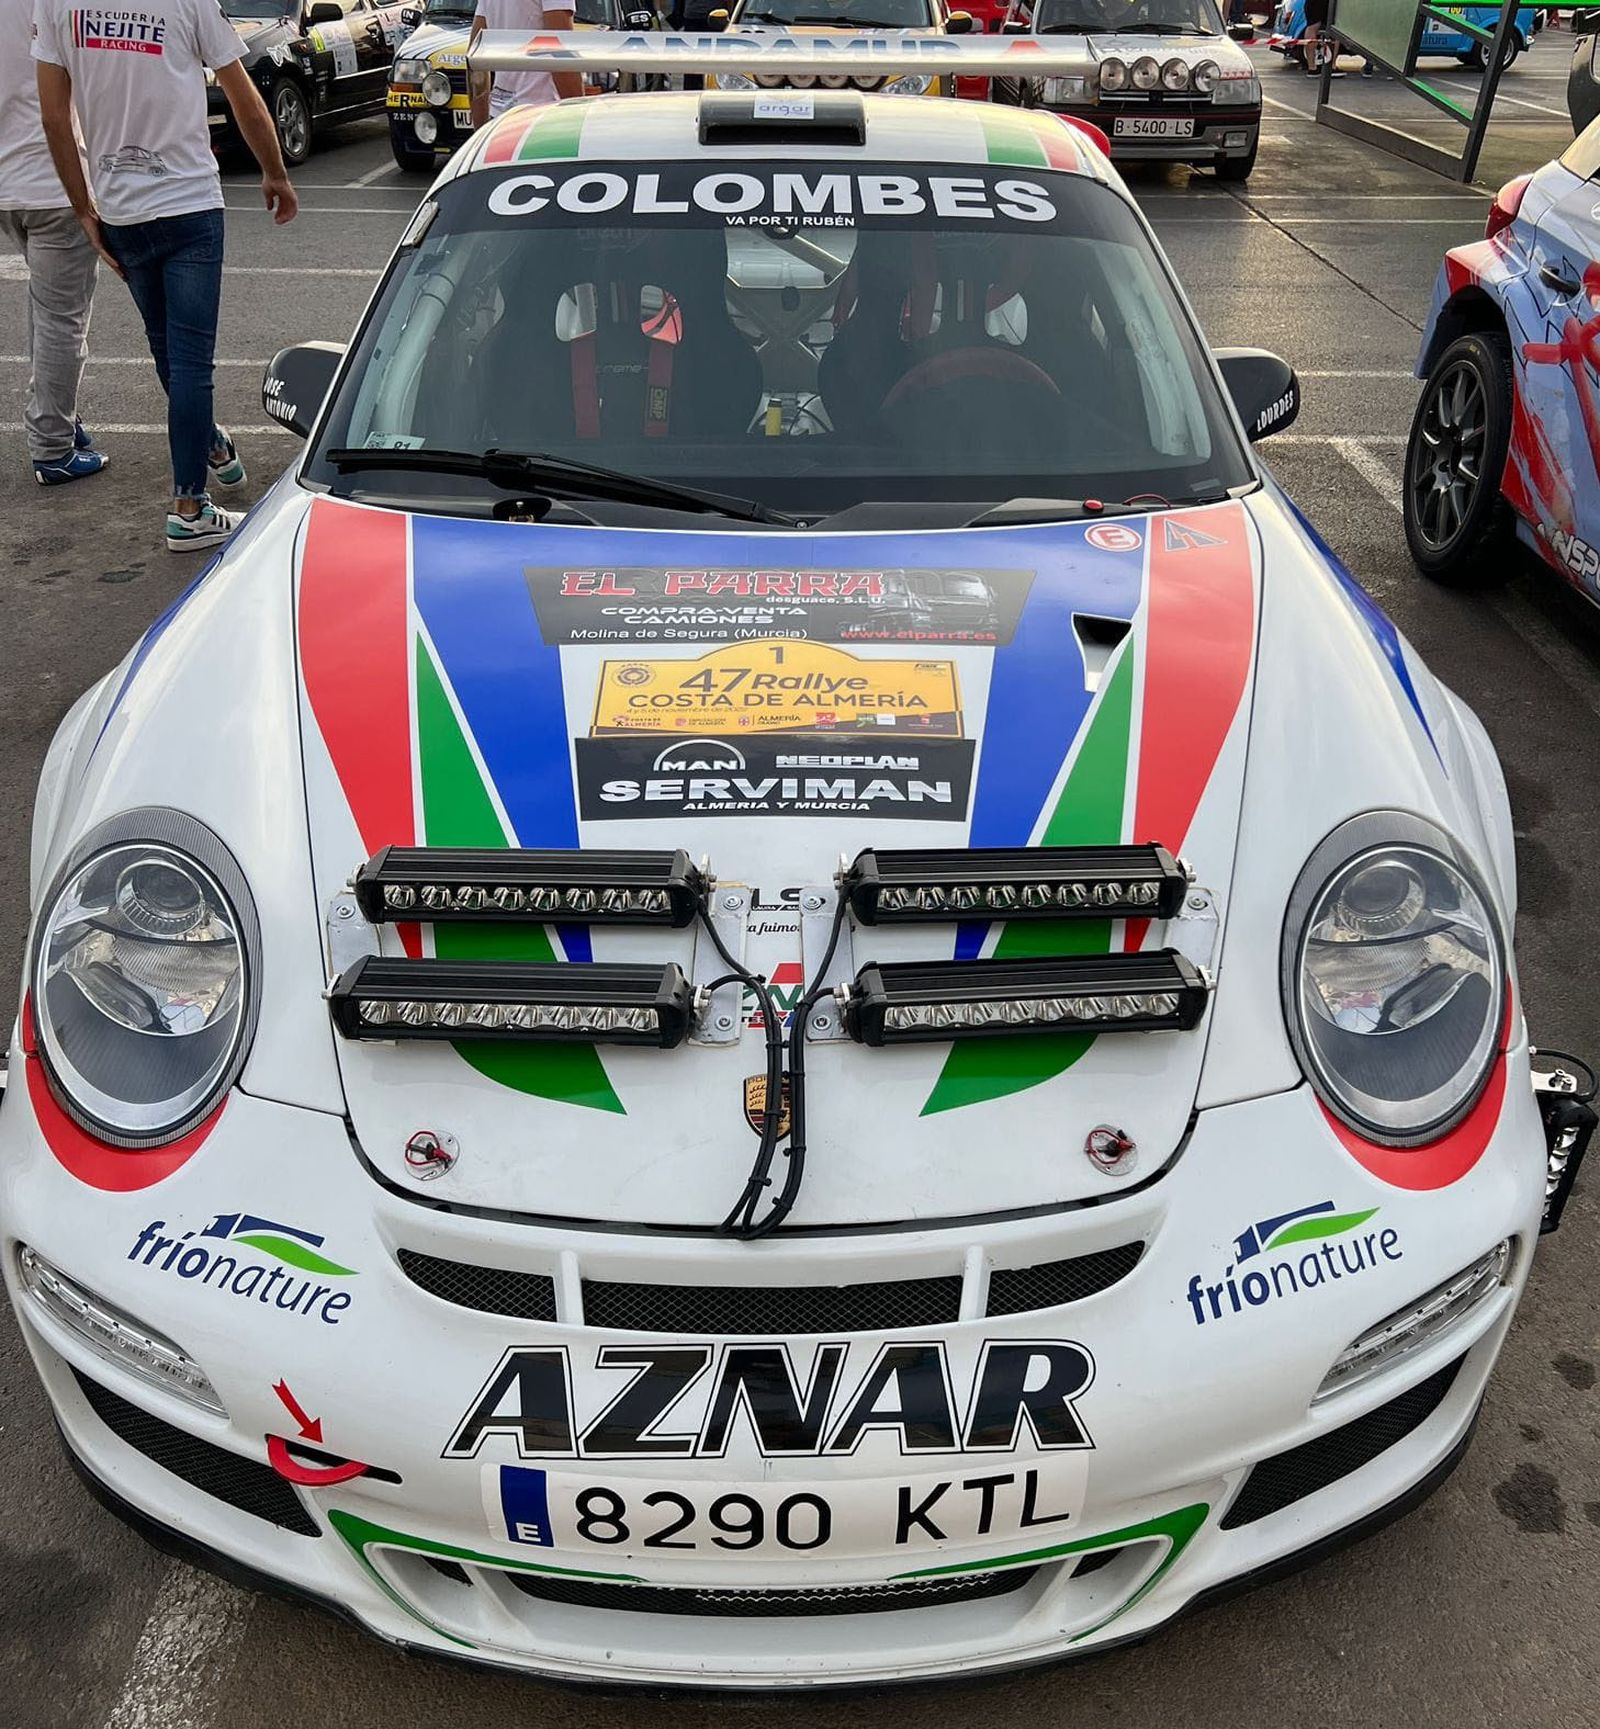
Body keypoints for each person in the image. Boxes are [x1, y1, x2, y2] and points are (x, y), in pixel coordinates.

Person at [34, 0, 299, 553]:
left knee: (168, 351)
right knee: (191, 360)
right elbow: (241, 91)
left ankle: (211, 446)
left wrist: (83, 205)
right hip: (189, 205)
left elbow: (55, 116)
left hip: (121, 208)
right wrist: (274, 171)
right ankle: (189, 507)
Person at [0, 0, 106, 486]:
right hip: (56, 184)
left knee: (45, 313)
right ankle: (53, 448)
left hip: (9, 186)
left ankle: (57, 414)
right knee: (64, 322)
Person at [469, 0, 583, 130]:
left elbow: (475, 56)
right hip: (543, 116)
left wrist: (480, 131)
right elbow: (560, 52)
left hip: (500, 115)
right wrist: (579, 123)